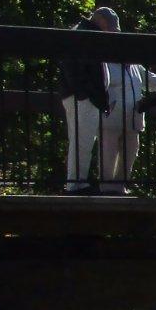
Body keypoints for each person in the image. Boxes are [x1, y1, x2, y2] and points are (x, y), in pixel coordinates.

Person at [88, 6, 156, 195]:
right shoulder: (103, 61)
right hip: (111, 117)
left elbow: (153, 81)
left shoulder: (134, 66)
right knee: (108, 154)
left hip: (133, 119)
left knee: (130, 153)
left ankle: (120, 187)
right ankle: (107, 189)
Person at [59, 17, 110, 192]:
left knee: (80, 141)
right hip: (83, 97)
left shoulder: (80, 31)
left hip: (80, 96)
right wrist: (84, 94)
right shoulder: (85, 34)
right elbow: (73, 65)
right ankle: (76, 183)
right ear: (102, 22)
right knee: (83, 141)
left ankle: (77, 181)